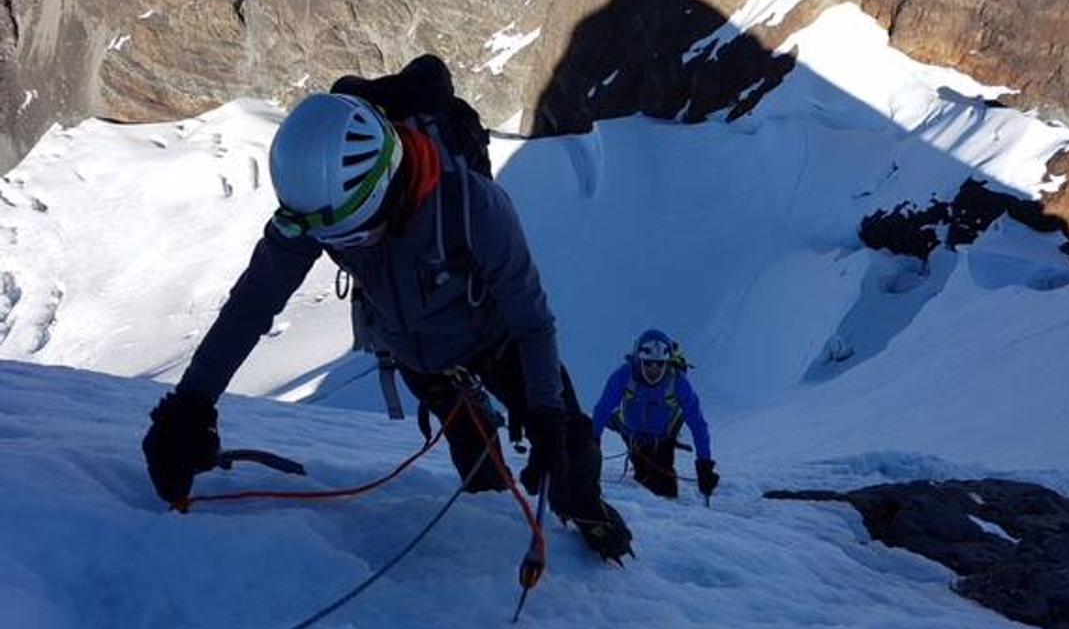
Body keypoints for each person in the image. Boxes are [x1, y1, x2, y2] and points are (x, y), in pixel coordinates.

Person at [141, 57, 633, 562]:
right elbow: (252, 304)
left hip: (498, 340)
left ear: (386, 187)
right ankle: (486, 528)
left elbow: (532, 321)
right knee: (478, 466)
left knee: (570, 454)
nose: (347, 247)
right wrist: (190, 406)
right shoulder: (317, 203)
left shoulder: (473, 206)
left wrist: (548, 414)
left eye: (354, 234)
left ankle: (587, 511)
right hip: (419, 354)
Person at [592, 329, 719, 500]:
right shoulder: (624, 375)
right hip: (631, 433)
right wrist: (592, 447)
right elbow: (602, 410)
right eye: (648, 363)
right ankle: (640, 468)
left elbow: (697, 424)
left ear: (667, 363)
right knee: (645, 476)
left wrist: (704, 464)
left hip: (663, 437)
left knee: (665, 491)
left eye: (659, 364)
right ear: (639, 361)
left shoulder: (678, 382)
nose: (654, 369)